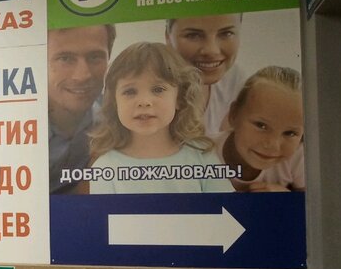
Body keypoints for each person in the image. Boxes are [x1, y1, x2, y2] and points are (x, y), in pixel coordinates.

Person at [88, 41, 233, 194]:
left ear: (180, 98)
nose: (144, 102)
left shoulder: (202, 156)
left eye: (158, 89)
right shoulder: (105, 168)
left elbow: (228, 206)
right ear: (114, 102)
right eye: (130, 91)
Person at [214, 66, 305, 192]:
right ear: (234, 114)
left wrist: (286, 198)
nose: (273, 144)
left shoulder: (299, 158)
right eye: (261, 125)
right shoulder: (202, 153)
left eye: (290, 133)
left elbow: (316, 201)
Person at [47, 24, 114, 193]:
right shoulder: (10, 127)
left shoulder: (118, 120)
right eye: (65, 59)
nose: (82, 75)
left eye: (95, 57)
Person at [165, 13, 245, 136]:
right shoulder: (146, 86)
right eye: (193, 35)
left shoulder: (233, 79)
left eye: (226, 33)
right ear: (168, 37)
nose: (211, 50)